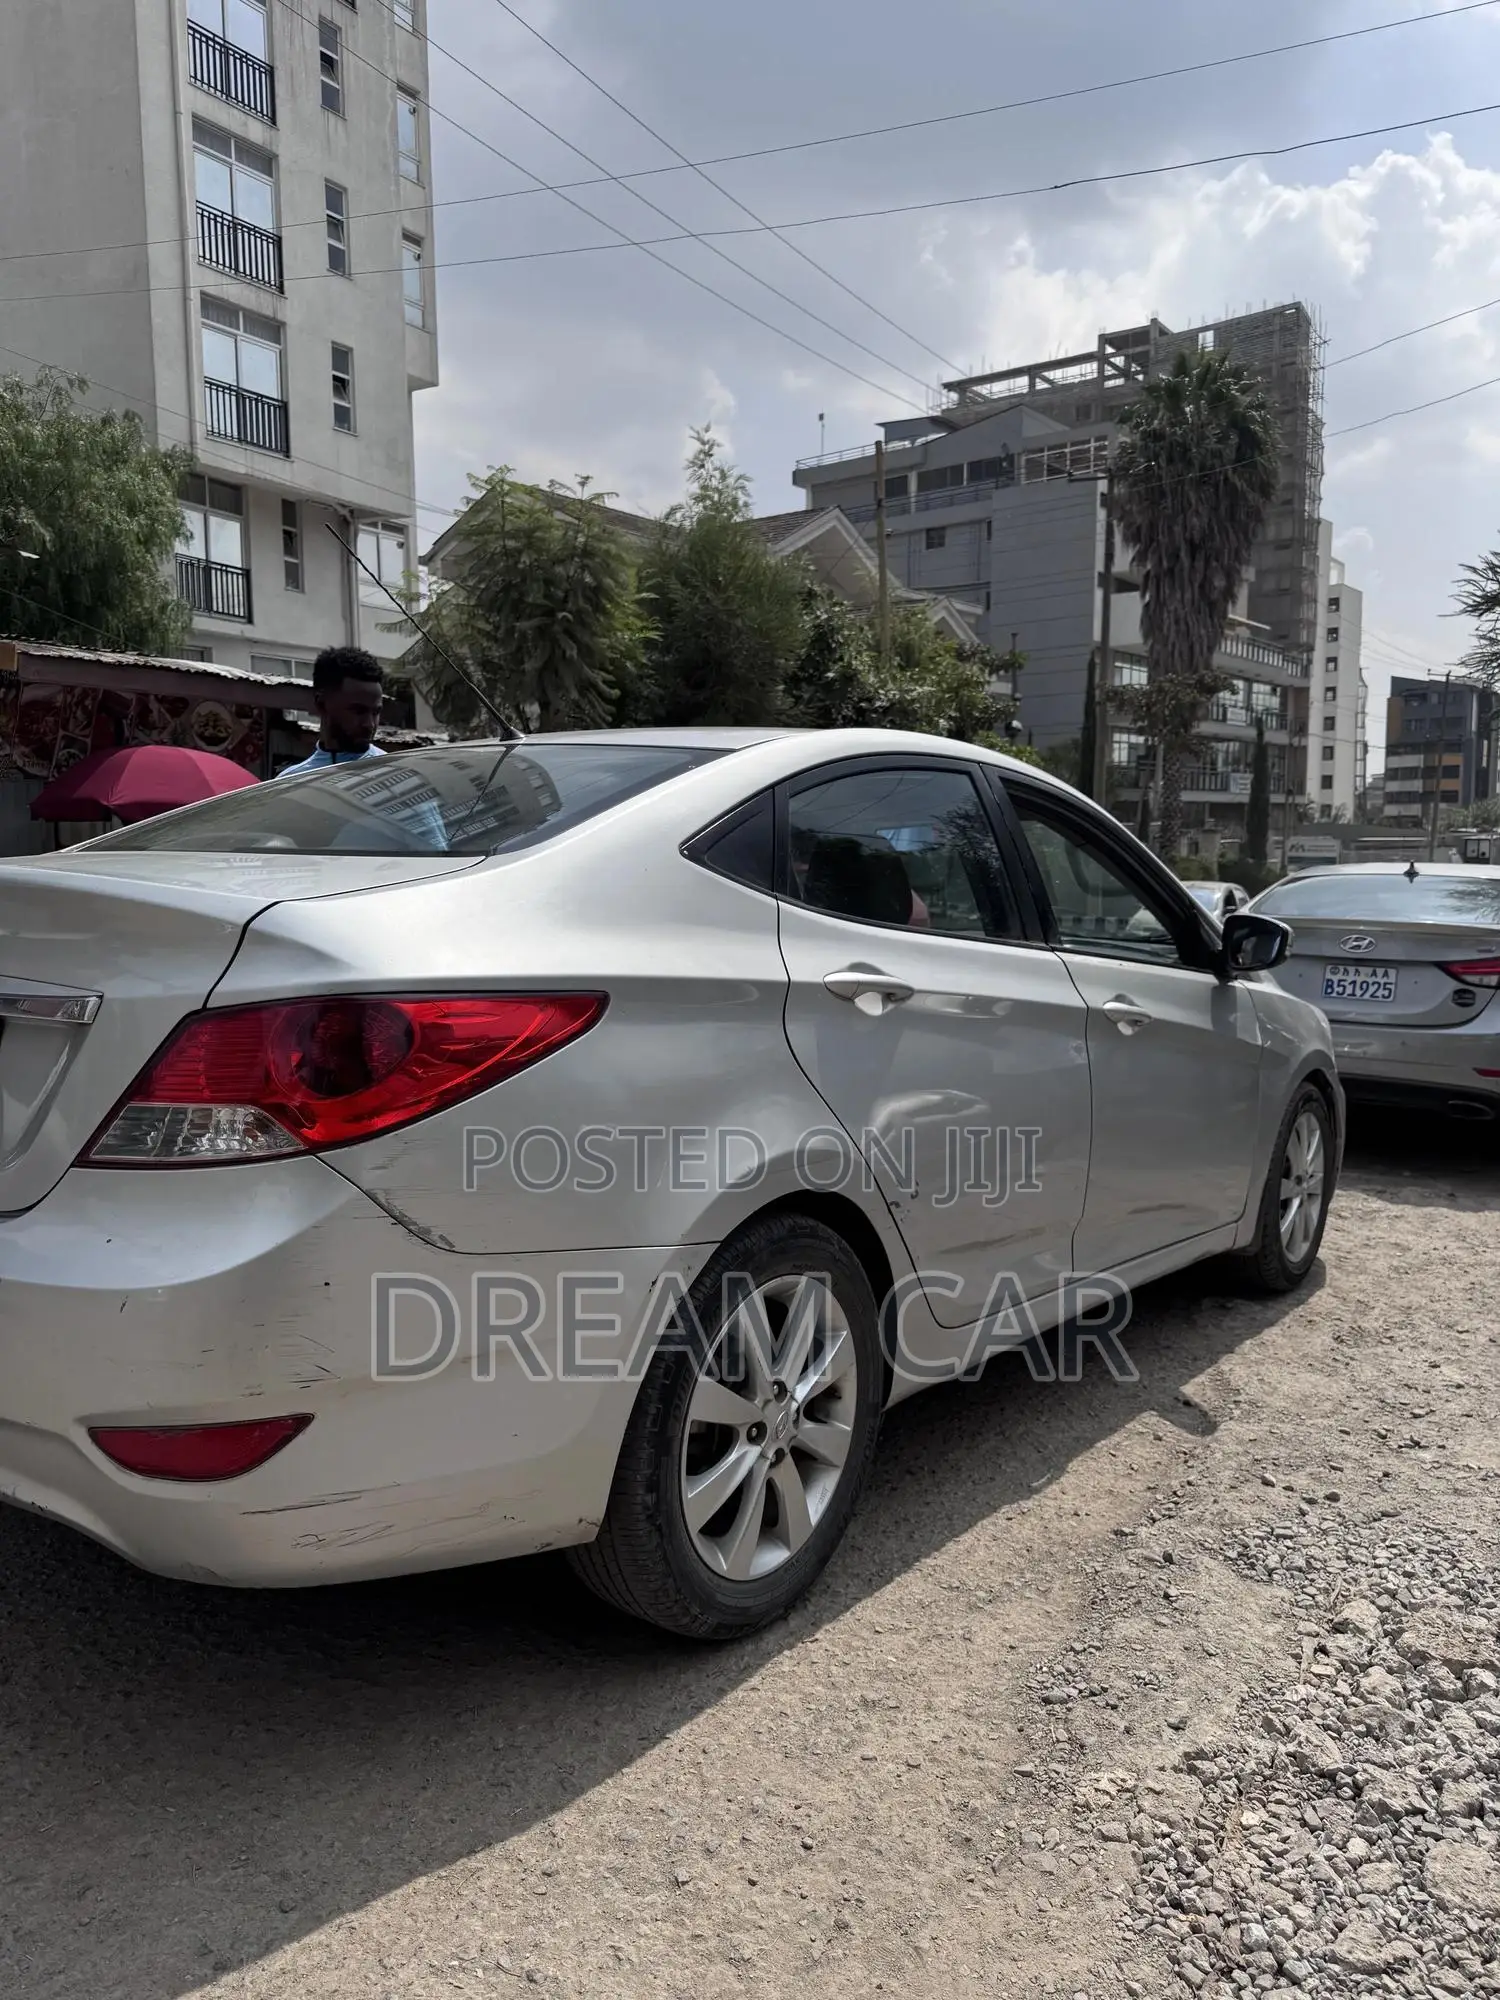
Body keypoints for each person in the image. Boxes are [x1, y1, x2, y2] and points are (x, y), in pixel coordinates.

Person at [275, 647, 387, 777]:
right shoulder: (290, 782)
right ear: (321, 704)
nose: (370, 724)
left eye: (376, 712)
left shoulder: (397, 774)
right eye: (358, 711)